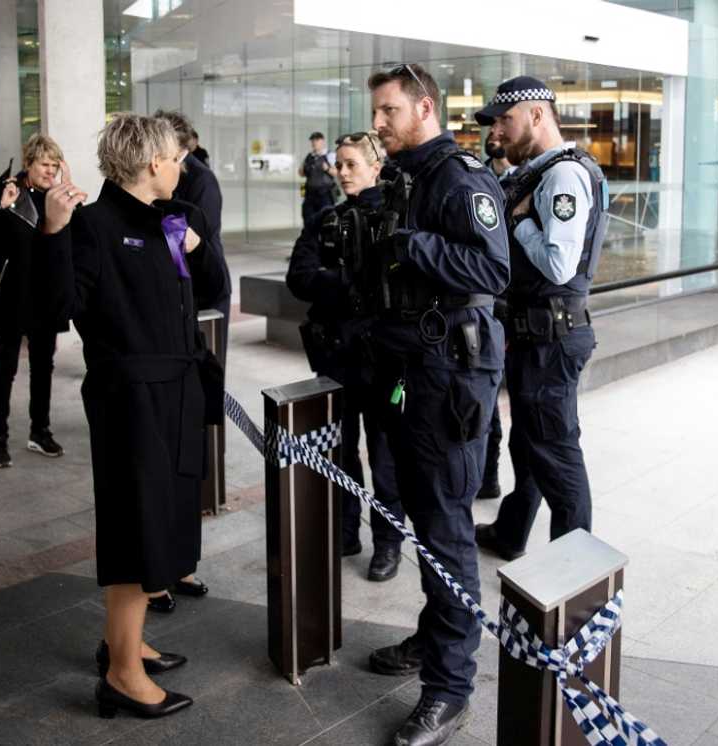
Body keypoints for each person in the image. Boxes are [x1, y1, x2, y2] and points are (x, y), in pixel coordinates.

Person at [42, 112, 225, 720]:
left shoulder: (172, 221)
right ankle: (120, 673)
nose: (182, 166)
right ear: (153, 163)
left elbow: (215, 289)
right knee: (136, 527)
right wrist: (53, 234)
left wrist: (197, 246)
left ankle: (124, 642)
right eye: (177, 156)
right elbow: (58, 307)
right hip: (131, 400)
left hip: (176, 393)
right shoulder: (93, 225)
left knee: (162, 523)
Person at [364, 64, 509, 746]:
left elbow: (492, 269)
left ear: (424, 107)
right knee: (427, 516)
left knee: (447, 526)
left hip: (450, 376)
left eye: (389, 110)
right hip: (413, 370)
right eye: (377, 110)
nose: (379, 122)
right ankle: (432, 638)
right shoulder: (408, 176)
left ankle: (450, 688)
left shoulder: (458, 177)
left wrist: (413, 244)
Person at [472, 76, 608, 563]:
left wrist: (522, 221)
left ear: (536, 114)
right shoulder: (536, 172)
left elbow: (558, 265)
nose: (500, 131)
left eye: (506, 119)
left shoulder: (563, 177)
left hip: (551, 337)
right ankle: (511, 533)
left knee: (555, 454)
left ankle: (574, 572)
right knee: (527, 442)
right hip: (534, 335)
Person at [286, 131, 407, 582]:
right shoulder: (326, 218)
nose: (342, 171)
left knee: (384, 455)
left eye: (352, 163)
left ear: (376, 166)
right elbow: (299, 275)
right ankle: (346, 530)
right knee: (339, 450)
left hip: (380, 357)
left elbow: (393, 287)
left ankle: (388, 542)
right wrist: (345, 285)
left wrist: (338, 281)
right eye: (339, 163)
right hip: (336, 353)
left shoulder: (395, 217)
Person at [146, 109, 232, 611]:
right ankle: (157, 571)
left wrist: (190, 251)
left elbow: (202, 274)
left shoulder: (191, 199)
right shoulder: (121, 214)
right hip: (151, 361)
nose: (179, 163)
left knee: (186, 457)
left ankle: (180, 563)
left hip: (192, 331)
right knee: (157, 469)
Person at [0, 133, 70, 468]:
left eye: (54, 165)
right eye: (44, 165)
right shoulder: (8, 193)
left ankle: (40, 431)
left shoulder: (56, 197)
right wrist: (2, 210)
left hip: (44, 295)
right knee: (4, 367)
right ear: (29, 164)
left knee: (43, 366)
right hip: (11, 296)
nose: (50, 171)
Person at [475, 121, 516, 502]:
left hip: (502, 309)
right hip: (492, 308)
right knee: (485, 406)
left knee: (490, 405)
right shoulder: (485, 179)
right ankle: (485, 475)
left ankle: (489, 475)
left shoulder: (521, 182)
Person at [299, 131, 337, 225]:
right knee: (308, 219)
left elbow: (337, 173)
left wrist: (327, 168)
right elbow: (300, 173)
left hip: (324, 195)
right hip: (310, 195)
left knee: (325, 221)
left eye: (317, 140)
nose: (314, 142)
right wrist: (304, 168)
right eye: (312, 140)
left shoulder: (330, 155)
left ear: (322, 141)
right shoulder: (309, 156)